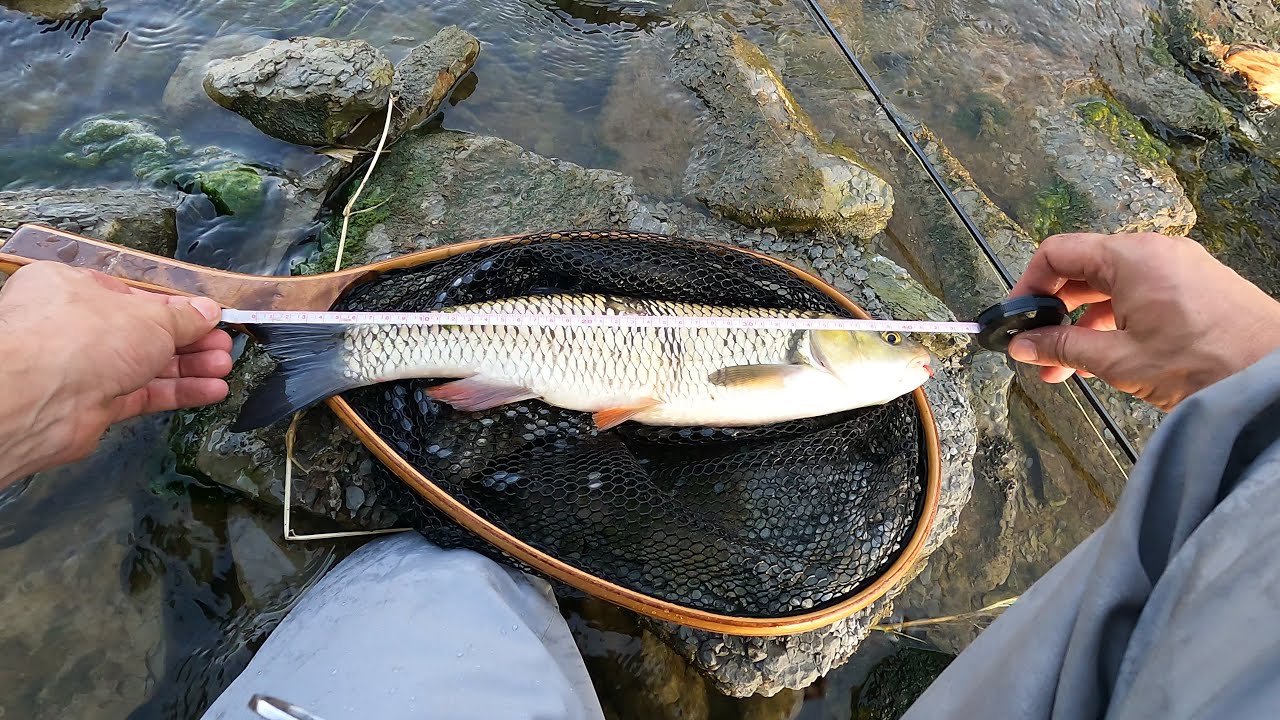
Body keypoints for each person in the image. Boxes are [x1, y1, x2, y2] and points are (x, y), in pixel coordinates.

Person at [2, 232, 1279, 719]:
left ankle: (339, 360)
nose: (907, 357)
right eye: (893, 347)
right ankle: (340, 355)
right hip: (563, 351)